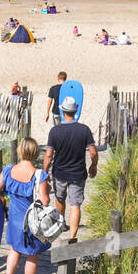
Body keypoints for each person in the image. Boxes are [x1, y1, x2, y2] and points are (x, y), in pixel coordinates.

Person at [0, 137, 51, 274]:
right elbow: (45, 201)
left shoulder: (8, 170)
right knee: (32, 255)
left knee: (14, 249)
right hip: (32, 222)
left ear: (20, 151)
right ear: (35, 153)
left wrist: (5, 196)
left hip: (15, 221)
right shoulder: (40, 175)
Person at [44, 96, 98, 240]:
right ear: (75, 111)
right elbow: (93, 152)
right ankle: (73, 236)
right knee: (75, 204)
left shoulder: (55, 131)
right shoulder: (84, 130)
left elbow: (48, 155)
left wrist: (44, 172)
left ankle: (62, 225)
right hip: (78, 173)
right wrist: (94, 165)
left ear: (62, 111)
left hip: (60, 172)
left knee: (60, 199)